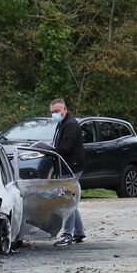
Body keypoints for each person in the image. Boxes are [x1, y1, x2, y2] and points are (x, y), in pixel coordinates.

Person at [49, 98, 87, 246]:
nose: (55, 114)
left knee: (67, 200)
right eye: (52, 112)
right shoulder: (62, 123)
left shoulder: (70, 125)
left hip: (72, 166)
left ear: (64, 109)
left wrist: (50, 151)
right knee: (71, 201)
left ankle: (67, 234)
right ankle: (79, 233)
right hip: (68, 166)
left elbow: (65, 148)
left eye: (57, 111)